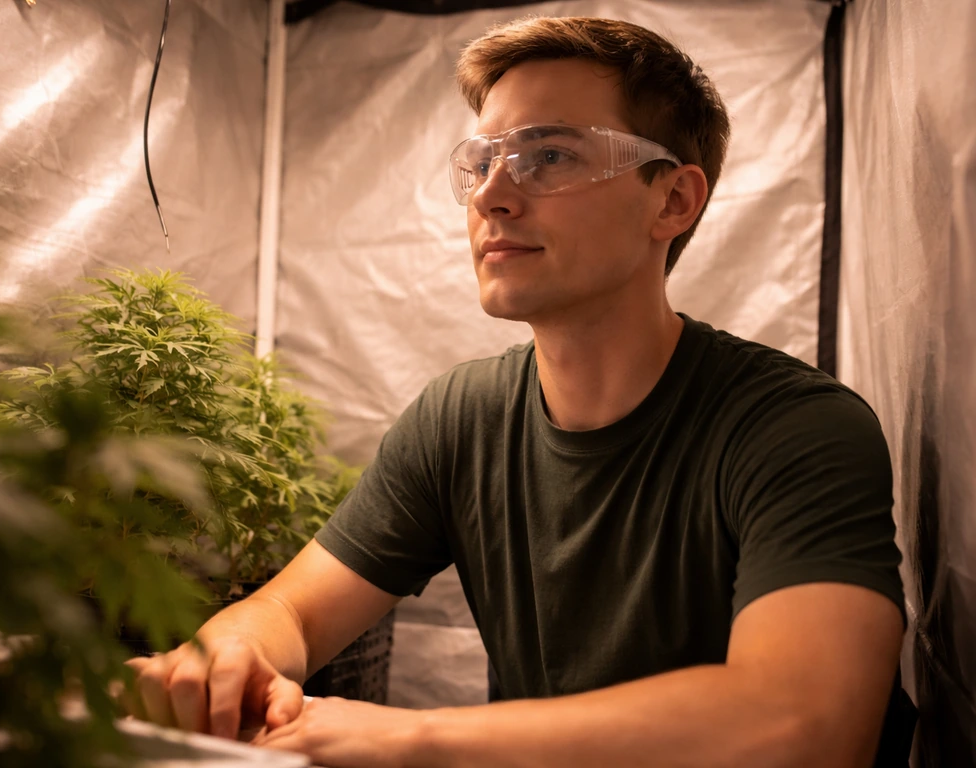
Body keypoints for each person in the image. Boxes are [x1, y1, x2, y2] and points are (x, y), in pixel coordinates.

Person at [126, 16, 907, 768]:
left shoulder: (794, 429)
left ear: (672, 200)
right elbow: (292, 611)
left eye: (551, 157)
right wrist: (232, 651)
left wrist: (406, 739)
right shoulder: (460, 419)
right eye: (482, 161)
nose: (491, 196)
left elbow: (806, 726)